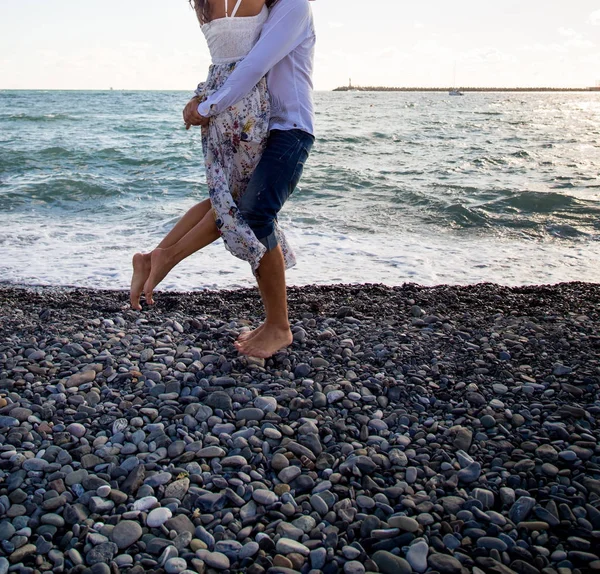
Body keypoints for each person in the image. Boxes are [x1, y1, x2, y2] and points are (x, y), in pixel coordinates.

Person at [131, 0, 316, 359]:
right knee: (231, 203)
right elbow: (237, 59)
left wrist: (208, 106)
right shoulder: (270, 7)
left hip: (289, 127)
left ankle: (278, 326)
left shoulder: (295, 5)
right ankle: (159, 257)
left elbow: (254, 65)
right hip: (258, 124)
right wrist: (208, 100)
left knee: (252, 212)